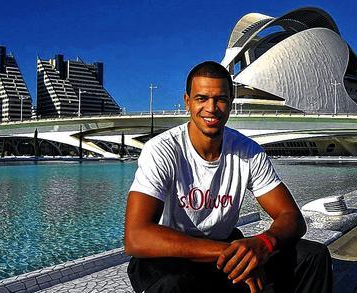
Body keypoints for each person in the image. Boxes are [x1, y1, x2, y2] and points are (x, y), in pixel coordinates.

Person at [124, 61, 332, 293]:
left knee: (313, 257)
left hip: (224, 252)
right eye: (201, 98)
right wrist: (228, 252)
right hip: (173, 254)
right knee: (173, 285)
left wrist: (263, 244)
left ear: (231, 103)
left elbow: (291, 217)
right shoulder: (162, 150)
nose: (211, 108)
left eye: (220, 99)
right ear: (187, 102)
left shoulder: (248, 151)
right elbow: (136, 237)